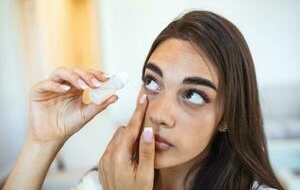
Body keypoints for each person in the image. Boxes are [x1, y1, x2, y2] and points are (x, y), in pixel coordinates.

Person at [2, 11, 284, 190]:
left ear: (227, 116)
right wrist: (42, 141)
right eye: (152, 82)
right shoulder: (103, 181)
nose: (159, 114)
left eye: (193, 95)